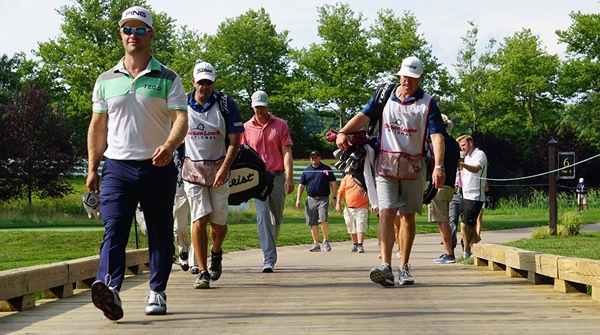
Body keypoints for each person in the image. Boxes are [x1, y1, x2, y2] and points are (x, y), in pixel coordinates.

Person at [87, 6, 188, 320]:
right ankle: (110, 288)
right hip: (117, 167)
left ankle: (157, 291)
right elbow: (98, 127)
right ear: (121, 34)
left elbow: (181, 119)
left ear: (151, 35)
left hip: (157, 166)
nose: (134, 35)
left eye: (141, 29)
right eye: (128, 29)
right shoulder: (105, 80)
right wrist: (92, 168)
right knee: (114, 228)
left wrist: (170, 146)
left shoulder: (168, 78)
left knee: (159, 231)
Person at [336, 56, 446, 286]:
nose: (408, 81)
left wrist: (438, 165)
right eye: (405, 76)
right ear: (399, 75)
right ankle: (385, 265)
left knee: (407, 216)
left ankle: (404, 266)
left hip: (414, 168)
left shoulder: (427, 103)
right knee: (386, 212)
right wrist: (342, 132)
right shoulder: (384, 95)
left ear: (421, 78)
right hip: (385, 166)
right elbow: (364, 116)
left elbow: (437, 137)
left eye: (413, 77)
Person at [183, 61, 244, 289]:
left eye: (208, 82)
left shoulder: (226, 104)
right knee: (199, 218)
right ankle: (202, 271)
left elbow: (235, 140)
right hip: (192, 170)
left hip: (220, 168)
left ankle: (216, 252)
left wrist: (226, 167)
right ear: (193, 82)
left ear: (214, 82)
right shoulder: (181, 103)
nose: (204, 86)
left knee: (218, 224)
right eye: (200, 82)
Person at [240, 90, 294, 273]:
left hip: (277, 176)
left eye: (262, 106)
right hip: (257, 179)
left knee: (276, 218)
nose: (259, 110)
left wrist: (289, 177)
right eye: (256, 107)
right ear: (252, 107)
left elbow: (287, 152)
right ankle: (268, 258)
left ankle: (270, 246)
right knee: (262, 216)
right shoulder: (246, 128)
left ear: (267, 105)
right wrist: (243, 186)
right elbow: (242, 157)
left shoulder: (280, 125)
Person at [428, 115, 460, 264]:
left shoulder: (438, 144)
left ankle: (449, 253)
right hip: (450, 184)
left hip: (439, 185)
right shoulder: (454, 143)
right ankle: (449, 251)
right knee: (445, 219)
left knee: (442, 221)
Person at [296, 150, 338, 252]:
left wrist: (334, 197)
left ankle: (325, 240)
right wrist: (298, 199)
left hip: (323, 198)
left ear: (319, 158)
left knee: (323, 219)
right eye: (312, 157)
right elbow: (301, 185)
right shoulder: (307, 171)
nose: (313, 159)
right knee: (312, 222)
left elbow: (333, 183)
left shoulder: (326, 169)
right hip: (311, 199)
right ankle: (316, 243)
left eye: (315, 157)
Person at [457, 134, 487, 258]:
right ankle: (475, 250)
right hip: (464, 195)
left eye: (463, 145)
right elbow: (463, 175)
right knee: (467, 226)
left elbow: (476, 169)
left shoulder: (479, 154)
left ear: (470, 143)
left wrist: (463, 165)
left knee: (465, 224)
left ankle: (468, 250)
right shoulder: (467, 158)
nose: (462, 148)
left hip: (475, 196)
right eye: (460, 146)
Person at [335, 174, 369, 253]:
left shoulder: (364, 176)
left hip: (362, 206)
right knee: (350, 225)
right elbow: (341, 191)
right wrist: (338, 203)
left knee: (361, 224)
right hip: (349, 207)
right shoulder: (347, 178)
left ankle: (360, 245)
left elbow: (370, 190)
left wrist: (373, 204)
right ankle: (355, 244)